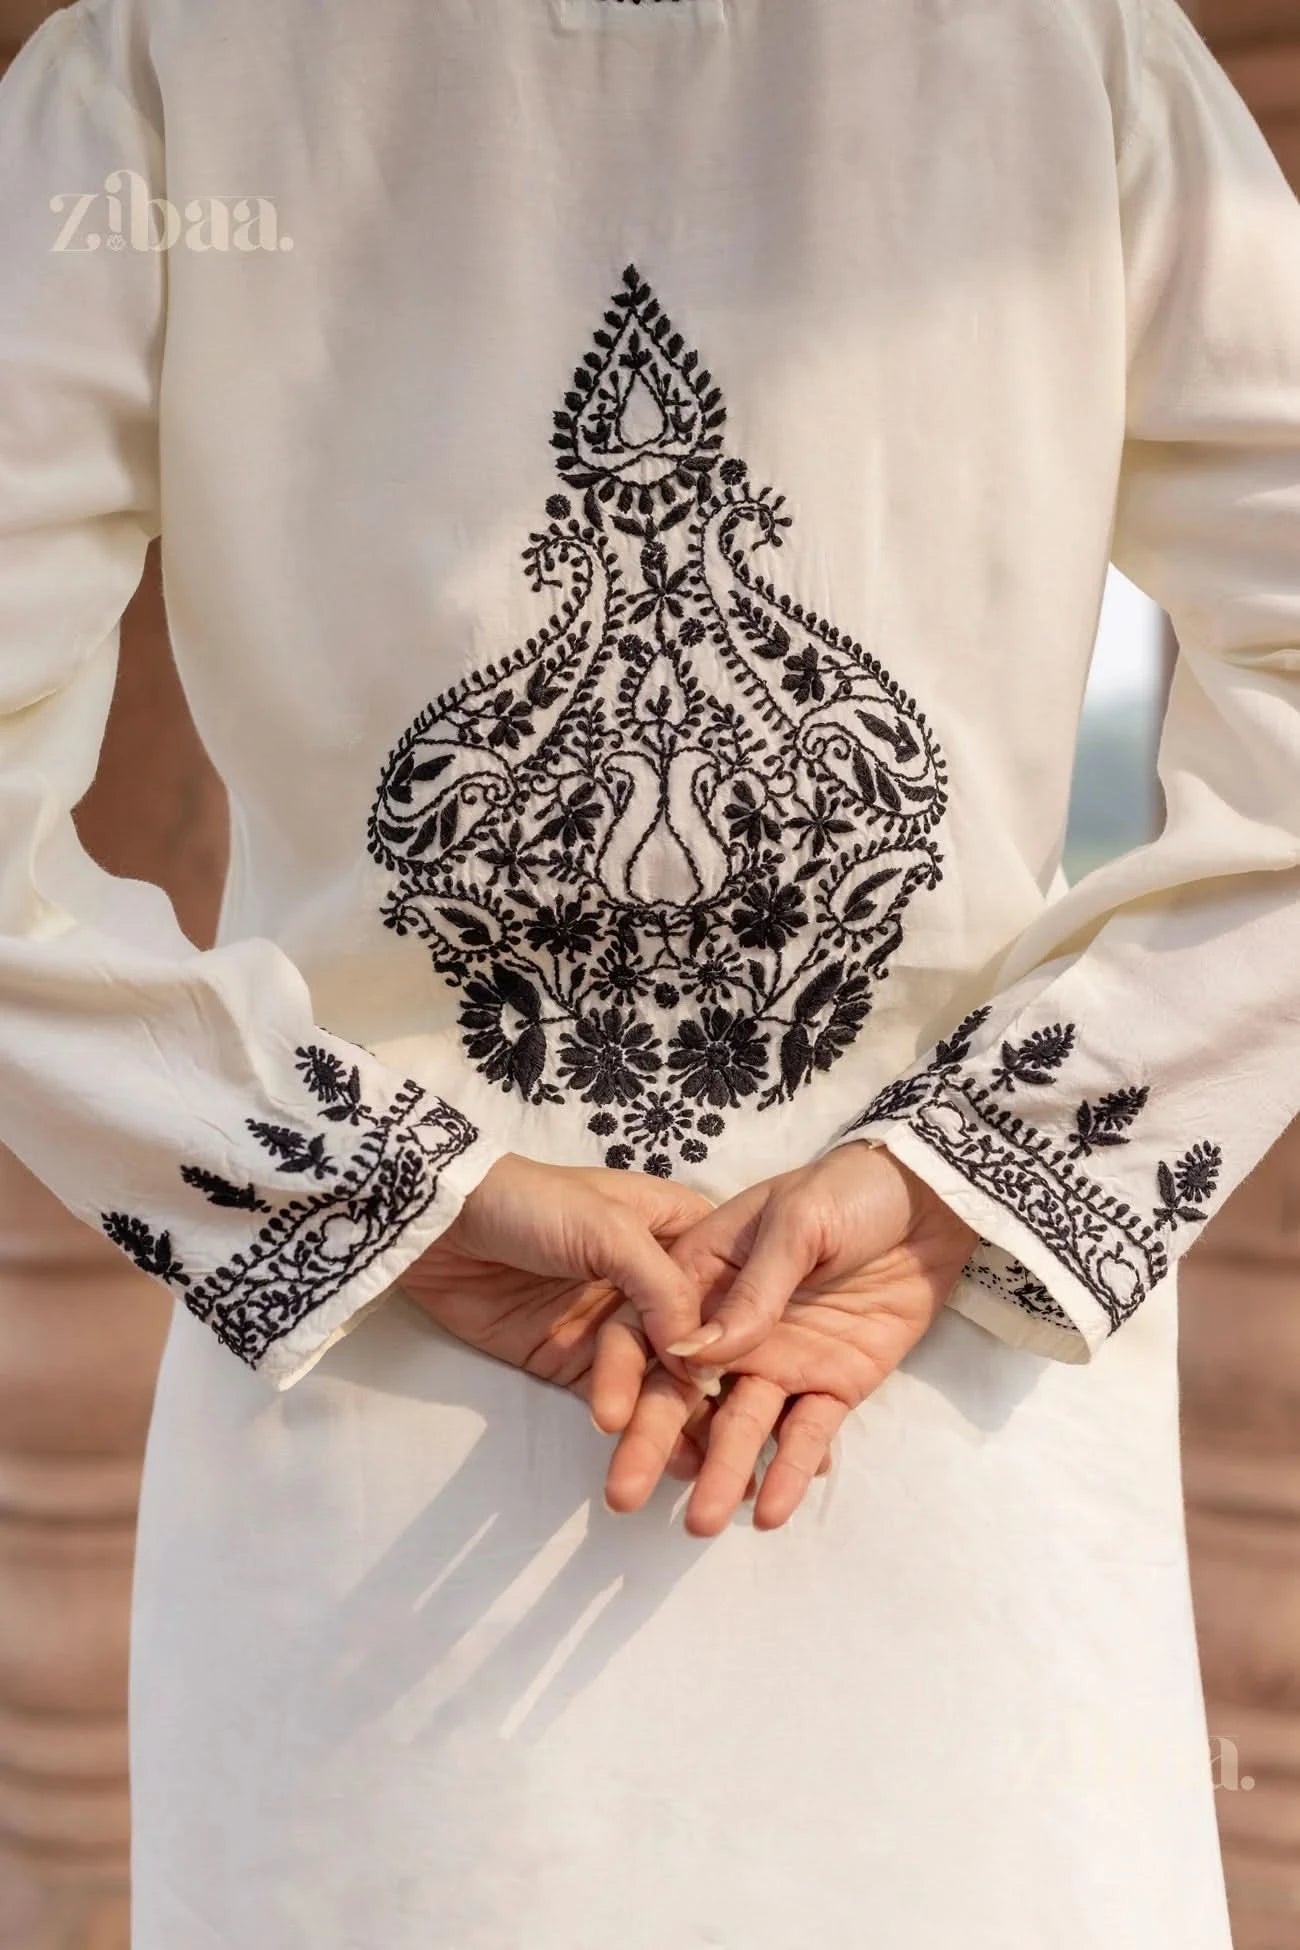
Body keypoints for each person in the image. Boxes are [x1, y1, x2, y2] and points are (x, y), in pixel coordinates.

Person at [0, 0, 1296, 1942]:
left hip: (390, 1406)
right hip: (912, 1359)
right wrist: (961, 1179)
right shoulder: (1069, 49)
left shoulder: (166, 61)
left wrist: (360, 1194)